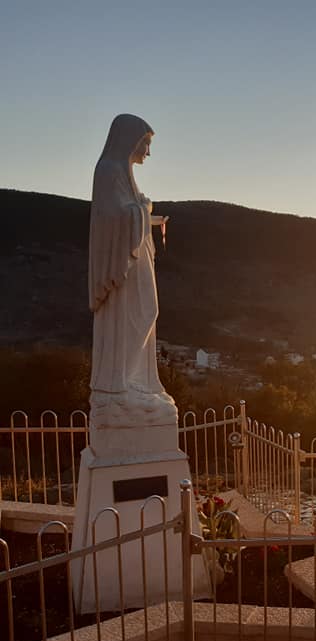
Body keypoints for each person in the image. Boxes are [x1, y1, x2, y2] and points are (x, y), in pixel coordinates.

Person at [88, 114, 175, 422]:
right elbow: (111, 217)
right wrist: (143, 209)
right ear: (129, 140)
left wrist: (146, 217)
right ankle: (120, 383)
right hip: (123, 262)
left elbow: (126, 214)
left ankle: (137, 381)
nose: (147, 152)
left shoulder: (123, 172)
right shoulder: (109, 169)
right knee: (135, 314)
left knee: (148, 311)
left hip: (137, 256)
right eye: (145, 144)